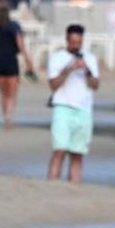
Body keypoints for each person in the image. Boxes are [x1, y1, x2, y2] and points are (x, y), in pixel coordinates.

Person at [47, 24, 100, 183]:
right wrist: (69, 69)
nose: (76, 46)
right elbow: (53, 85)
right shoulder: (57, 58)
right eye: (73, 42)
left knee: (78, 154)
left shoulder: (90, 58)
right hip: (63, 107)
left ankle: (74, 188)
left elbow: (95, 85)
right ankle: (52, 185)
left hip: (84, 109)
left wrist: (87, 71)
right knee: (60, 150)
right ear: (67, 40)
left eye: (79, 42)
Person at [0, 4, 36, 128]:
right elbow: (21, 46)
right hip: (10, 61)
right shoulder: (14, 29)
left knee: (3, 93)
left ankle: (5, 115)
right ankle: (8, 117)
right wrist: (28, 63)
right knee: (12, 93)